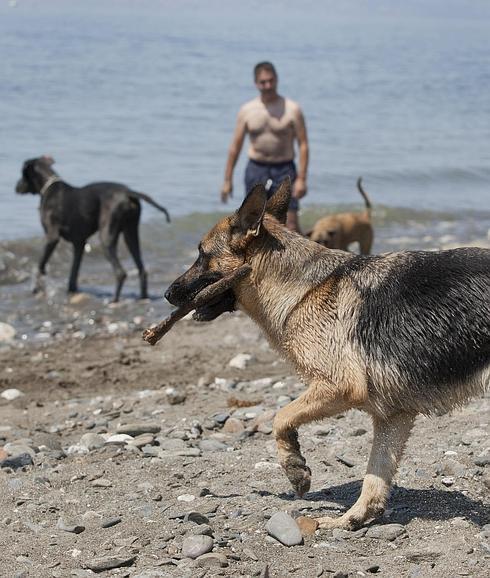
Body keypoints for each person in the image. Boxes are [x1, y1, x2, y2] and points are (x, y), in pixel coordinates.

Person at [220, 62, 309, 232]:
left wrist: (302, 179)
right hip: (256, 169)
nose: (267, 86)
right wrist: (227, 180)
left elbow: (303, 145)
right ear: (256, 83)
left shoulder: (292, 109)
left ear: (276, 80)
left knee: (290, 225)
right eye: (263, 82)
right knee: (253, 225)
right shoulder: (247, 110)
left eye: (271, 81)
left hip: (285, 169)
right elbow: (235, 147)